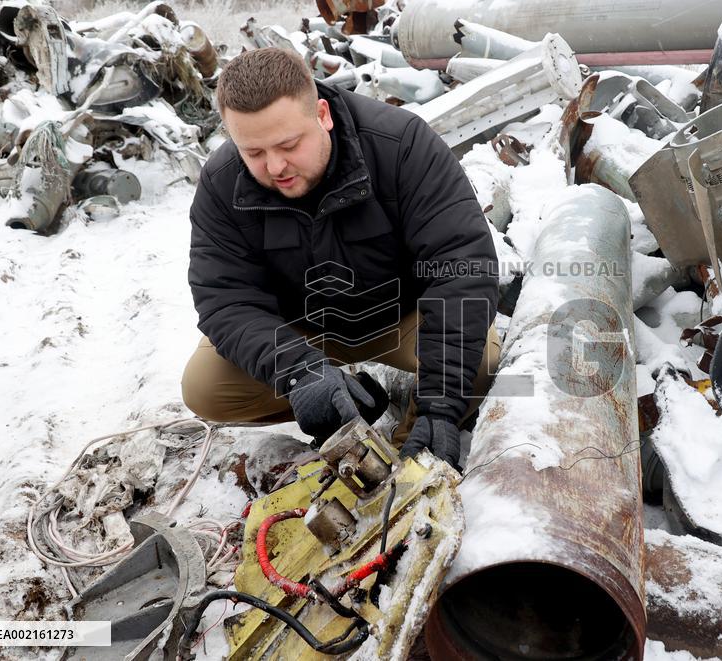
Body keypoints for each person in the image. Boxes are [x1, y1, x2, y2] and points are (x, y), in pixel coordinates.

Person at [180, 47, 500, 470]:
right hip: (300, 330)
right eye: (253, 153)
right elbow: (225, 300)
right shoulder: (222, 184)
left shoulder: (402, 145)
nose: (275, 166)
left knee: (480, 364)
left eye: (289, 145)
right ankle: (344, 402)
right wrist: (299, 372)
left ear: (323, 115)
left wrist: (439, 408)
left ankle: (410, 455)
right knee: (205, 389)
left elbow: (461, 265)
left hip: (400, 317)